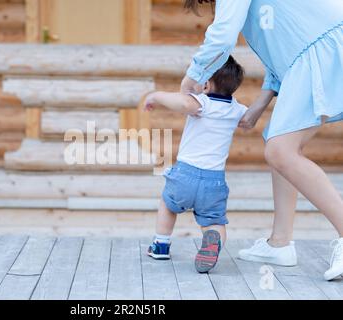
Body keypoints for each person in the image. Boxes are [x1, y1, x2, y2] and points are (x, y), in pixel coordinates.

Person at [181, 0, 343, 280]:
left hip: (326, 43)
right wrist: (260, 103)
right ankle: (279, 243)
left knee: (281, 151)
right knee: (278, 143)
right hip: (309, 53)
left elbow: (222, 35)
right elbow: (284, 49)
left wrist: (192, 78)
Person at [144, 56, 247, 273]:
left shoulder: (201, 102)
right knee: (214, 221)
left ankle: (161, 245)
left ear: (207, 85)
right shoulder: (236, 109)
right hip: (214, 182)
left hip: (185, 175)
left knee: (168, 204)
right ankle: (213, 240)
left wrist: (155, 95)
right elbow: (248, 120)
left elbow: (183, 102)